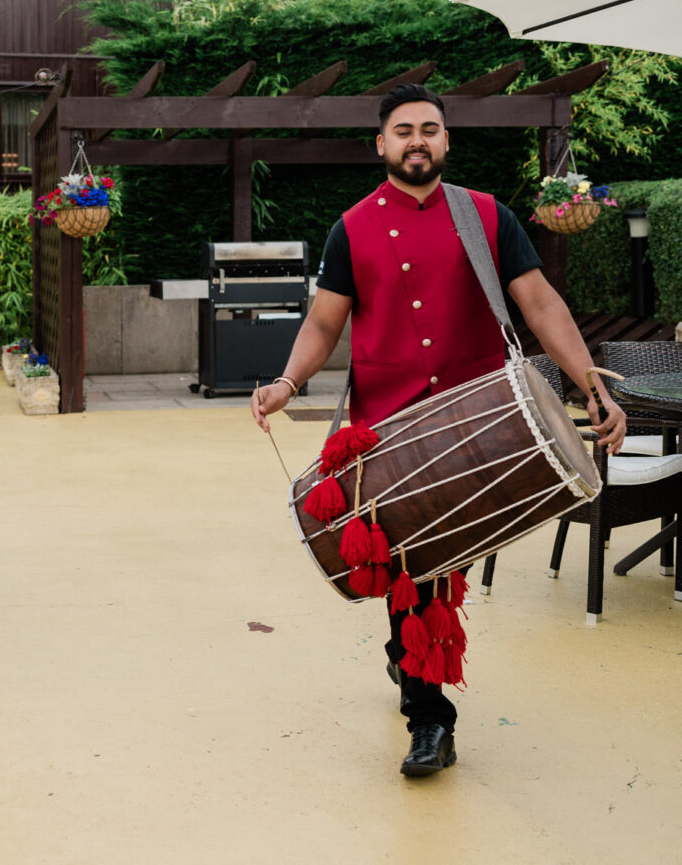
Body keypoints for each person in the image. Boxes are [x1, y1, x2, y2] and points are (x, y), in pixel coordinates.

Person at [250, 84, 626, 777]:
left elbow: (539, 303)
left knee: (433, 562)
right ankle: (430, 721)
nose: (416, 140)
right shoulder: (352, 226)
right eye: (403, 130)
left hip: (480, 422)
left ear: (446, 141)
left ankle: (409, 666)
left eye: (429, 129)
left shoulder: (486, 214)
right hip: (388, 429)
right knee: (413, 570)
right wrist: (287, 383)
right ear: (382, 145)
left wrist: (591, 382)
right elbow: (325, 322)